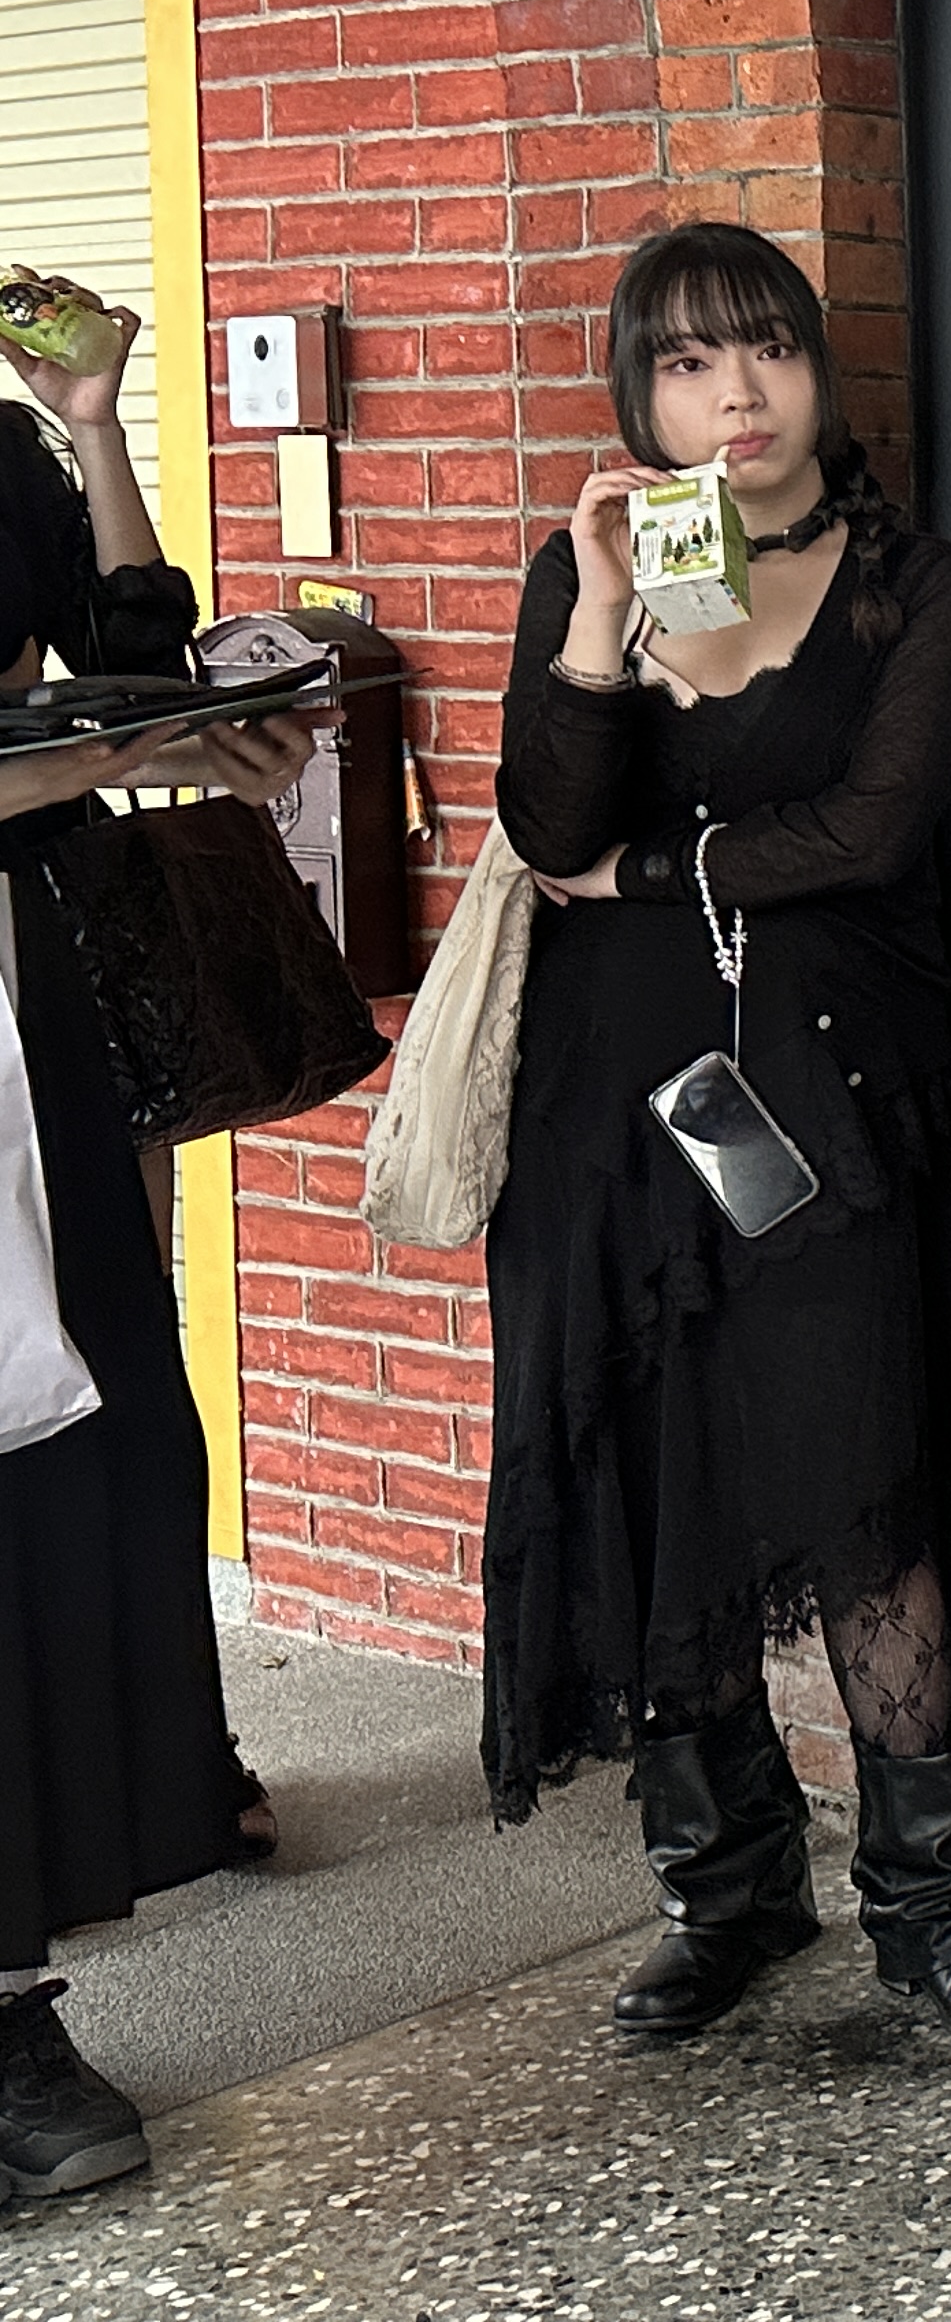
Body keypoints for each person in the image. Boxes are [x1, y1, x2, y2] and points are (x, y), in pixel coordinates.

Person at [484, 221, 951, 2050]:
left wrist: (652, 873)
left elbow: (874, 830)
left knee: (862, 1482)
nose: (736, 395)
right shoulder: (595, 574)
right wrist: (596, 621)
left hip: (828, 1105)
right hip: (612, 1116)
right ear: (639, 395)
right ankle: (725, 1890)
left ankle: (933, 1904)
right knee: (662, 1493)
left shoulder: (917, 584)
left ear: (816, 368)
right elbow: (540, 824)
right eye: (685, 363)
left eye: (767, 350)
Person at [0, 281, 312, 2202]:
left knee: (85, 1440)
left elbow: (127, 648)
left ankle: (23, 1981)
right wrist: (105, 762)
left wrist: (96, 423)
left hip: (32, 1011)